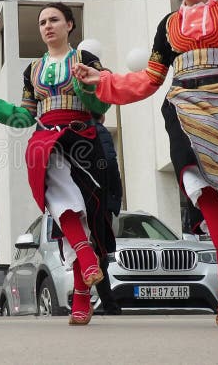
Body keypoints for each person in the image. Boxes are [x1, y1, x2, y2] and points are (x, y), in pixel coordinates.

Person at [73, 0, 218, 327]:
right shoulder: (167, 26)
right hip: (183, 106)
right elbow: (150, 79)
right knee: (199, 180)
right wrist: (104, 78)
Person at [0, 2, 114, 326]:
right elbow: (25, 116)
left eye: (54, 20)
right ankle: (87, 263)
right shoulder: (32, 70)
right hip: (47, 141)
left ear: (70, 25)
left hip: (84, 140)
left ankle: (82, 295)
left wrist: (88, 84)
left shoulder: (86, 60)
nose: (47, 26)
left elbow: (102, 103)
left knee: (87, 217)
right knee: (61, 199)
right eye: (42, 21)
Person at [93, 113, 123, 315]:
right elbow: (110, 165)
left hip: (86, 199)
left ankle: (104, 303)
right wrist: (114, 199)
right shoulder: (99, 131)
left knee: (91, 252)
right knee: (99, 253)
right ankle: (110, 305)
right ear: (102, 117)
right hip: (100, 199)